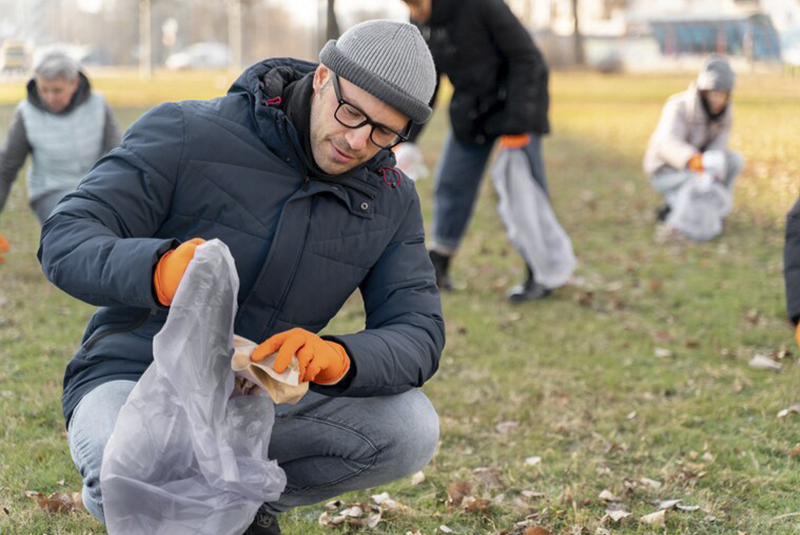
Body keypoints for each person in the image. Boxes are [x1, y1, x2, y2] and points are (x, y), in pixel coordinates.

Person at [37, 20, 444, 535]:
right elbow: (66, 236)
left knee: (410, 426)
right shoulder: (188, 131)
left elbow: (419, 331)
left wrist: (340, 358)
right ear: (322, 77)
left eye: (384, 132)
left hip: (257, 398)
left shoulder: (390, 199)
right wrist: (157, 270)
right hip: (136, 375)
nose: (357, 140)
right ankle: (178, 503)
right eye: (351, 112)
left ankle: (245, 505)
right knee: (122, 464)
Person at [400, 0, 554, 302]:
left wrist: (517, 125)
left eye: (417, 4)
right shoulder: (422, 21)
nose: (414, 12)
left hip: (517, 105)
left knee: (525, 193)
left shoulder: (481, 5)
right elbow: (428, 83)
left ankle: (542, 271)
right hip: (473, 112)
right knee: (451, 182)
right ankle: (440, 262)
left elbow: (527, 59)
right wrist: (407, 136)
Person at [0, 51, 120, 229]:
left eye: (57, 90)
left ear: (74, 83)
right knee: (75, 224)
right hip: (50, 192)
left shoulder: (99, 105)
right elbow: (6, 167)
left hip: (95, 190)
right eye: (44, 90)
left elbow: (117, 155)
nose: (49, 97)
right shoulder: (26, 113)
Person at [643, 54, 744, 223]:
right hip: (667, 171)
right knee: (696, 185)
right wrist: (694, 161)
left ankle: (718, 210)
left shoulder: (726, 112)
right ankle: (675, 209)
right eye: (714, 93)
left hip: (701, 167)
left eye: (723, 94)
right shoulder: (678, 106)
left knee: (734, 160)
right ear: (704, 90)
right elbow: (667, 143)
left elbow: (719, 144)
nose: (718, 100)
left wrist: (714, 163)